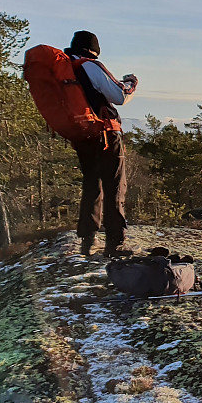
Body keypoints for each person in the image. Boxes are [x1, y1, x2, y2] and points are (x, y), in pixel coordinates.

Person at [65, 30, 138, 257]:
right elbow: (119, 96)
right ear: (94, 49)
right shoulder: (90, 65)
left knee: (92, 184)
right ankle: (115, 243)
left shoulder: (66, 69)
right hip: (105, 134)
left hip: (81, 135)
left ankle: (88, 240)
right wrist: (130, 83)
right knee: (115, 185)